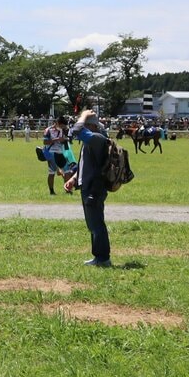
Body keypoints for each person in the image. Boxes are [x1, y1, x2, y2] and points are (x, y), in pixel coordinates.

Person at [67, 109, 112, 267]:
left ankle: (103, 258)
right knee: (92, 224)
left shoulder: (97, 138)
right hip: (88, 185)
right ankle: (98, 257)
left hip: (95, 187)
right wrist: (73, 179)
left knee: (96, 223)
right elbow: (85, 164)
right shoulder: (91, 141)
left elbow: (76, 130)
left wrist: (83, 116)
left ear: (91, 126)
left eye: (86, 124)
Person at [42, 114, 72, 196]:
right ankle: (51, 191)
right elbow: (45, 142)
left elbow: (63, 140)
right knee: (52, 173)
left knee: (67, 171)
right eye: (62, 126)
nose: (63, 128)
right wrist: (57, 139)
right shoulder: (48, 130)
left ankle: (68, 190)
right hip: (51, 153)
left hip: (60, 152)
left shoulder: (63, 130)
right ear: (57, 123)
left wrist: (64, 140)